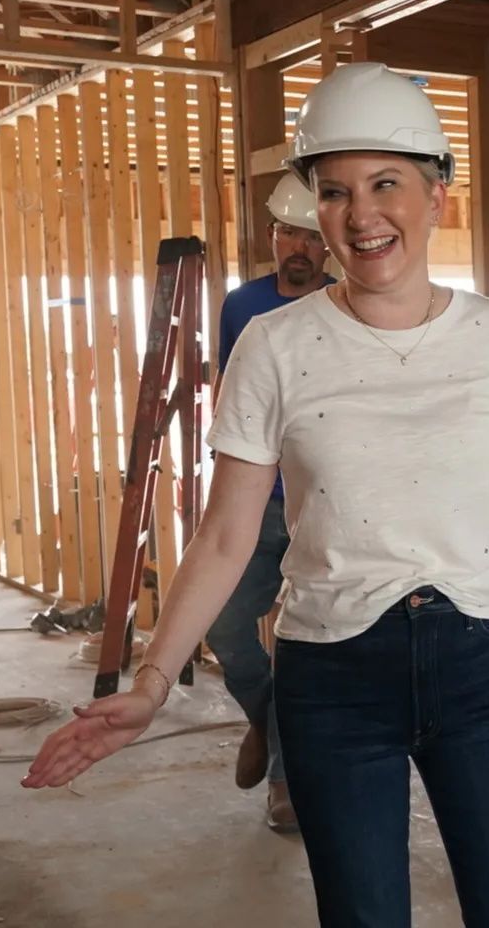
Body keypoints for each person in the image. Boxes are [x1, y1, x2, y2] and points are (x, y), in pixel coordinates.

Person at [23, 62, 489, 928]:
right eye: (336, 192)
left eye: (387, 183)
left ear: (438, 197)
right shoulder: (272, 346)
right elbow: (227, 538)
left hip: (480, 667)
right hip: (332, 674)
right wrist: (154, 682)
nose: (361, 215)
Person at [206, 173, 332, 833]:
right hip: (254, 502)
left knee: (306, 647)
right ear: (271, 234)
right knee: (228, 629)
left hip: (320, 506)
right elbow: (230, 395)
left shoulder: (347, 304)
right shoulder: (241, 305)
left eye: (312, 234)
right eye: (289, 231)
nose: (299, 246)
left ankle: (285, 780)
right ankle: (264, 715)